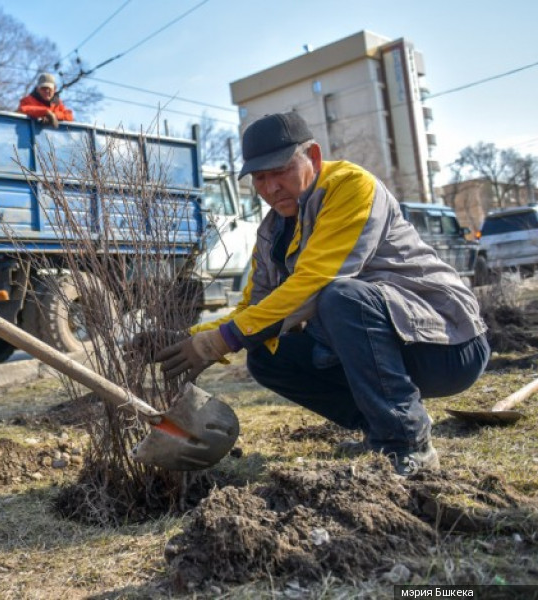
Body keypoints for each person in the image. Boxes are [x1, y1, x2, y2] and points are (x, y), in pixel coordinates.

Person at [148, 111, 489, 477]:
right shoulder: (272, 231)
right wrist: (192, 339)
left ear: (312, 157)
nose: (270, 187)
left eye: (279, 171)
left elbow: (314, 282)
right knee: (265, 352)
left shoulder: (351, 187)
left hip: (447, 343)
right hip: (388, 344)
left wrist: (217, 343)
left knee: (339, 297)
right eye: (259, 178)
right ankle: (381, 425)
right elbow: (255, 309)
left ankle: (405, 440)